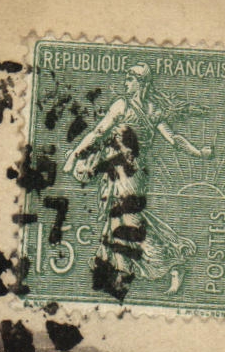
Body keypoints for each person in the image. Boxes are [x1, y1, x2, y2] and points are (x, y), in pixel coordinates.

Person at [62, 62, 214, 298]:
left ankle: (173, 264)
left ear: (141, 82)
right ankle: (120, 269)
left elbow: (172, 138)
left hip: (130, 174)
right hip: (120, 172)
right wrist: (76, 154)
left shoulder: (129, 107)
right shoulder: (144, 109)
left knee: (130, 219)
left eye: (130, 79)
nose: (126, 83)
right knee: (119, 217)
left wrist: (198, 153)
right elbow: (99, 133)